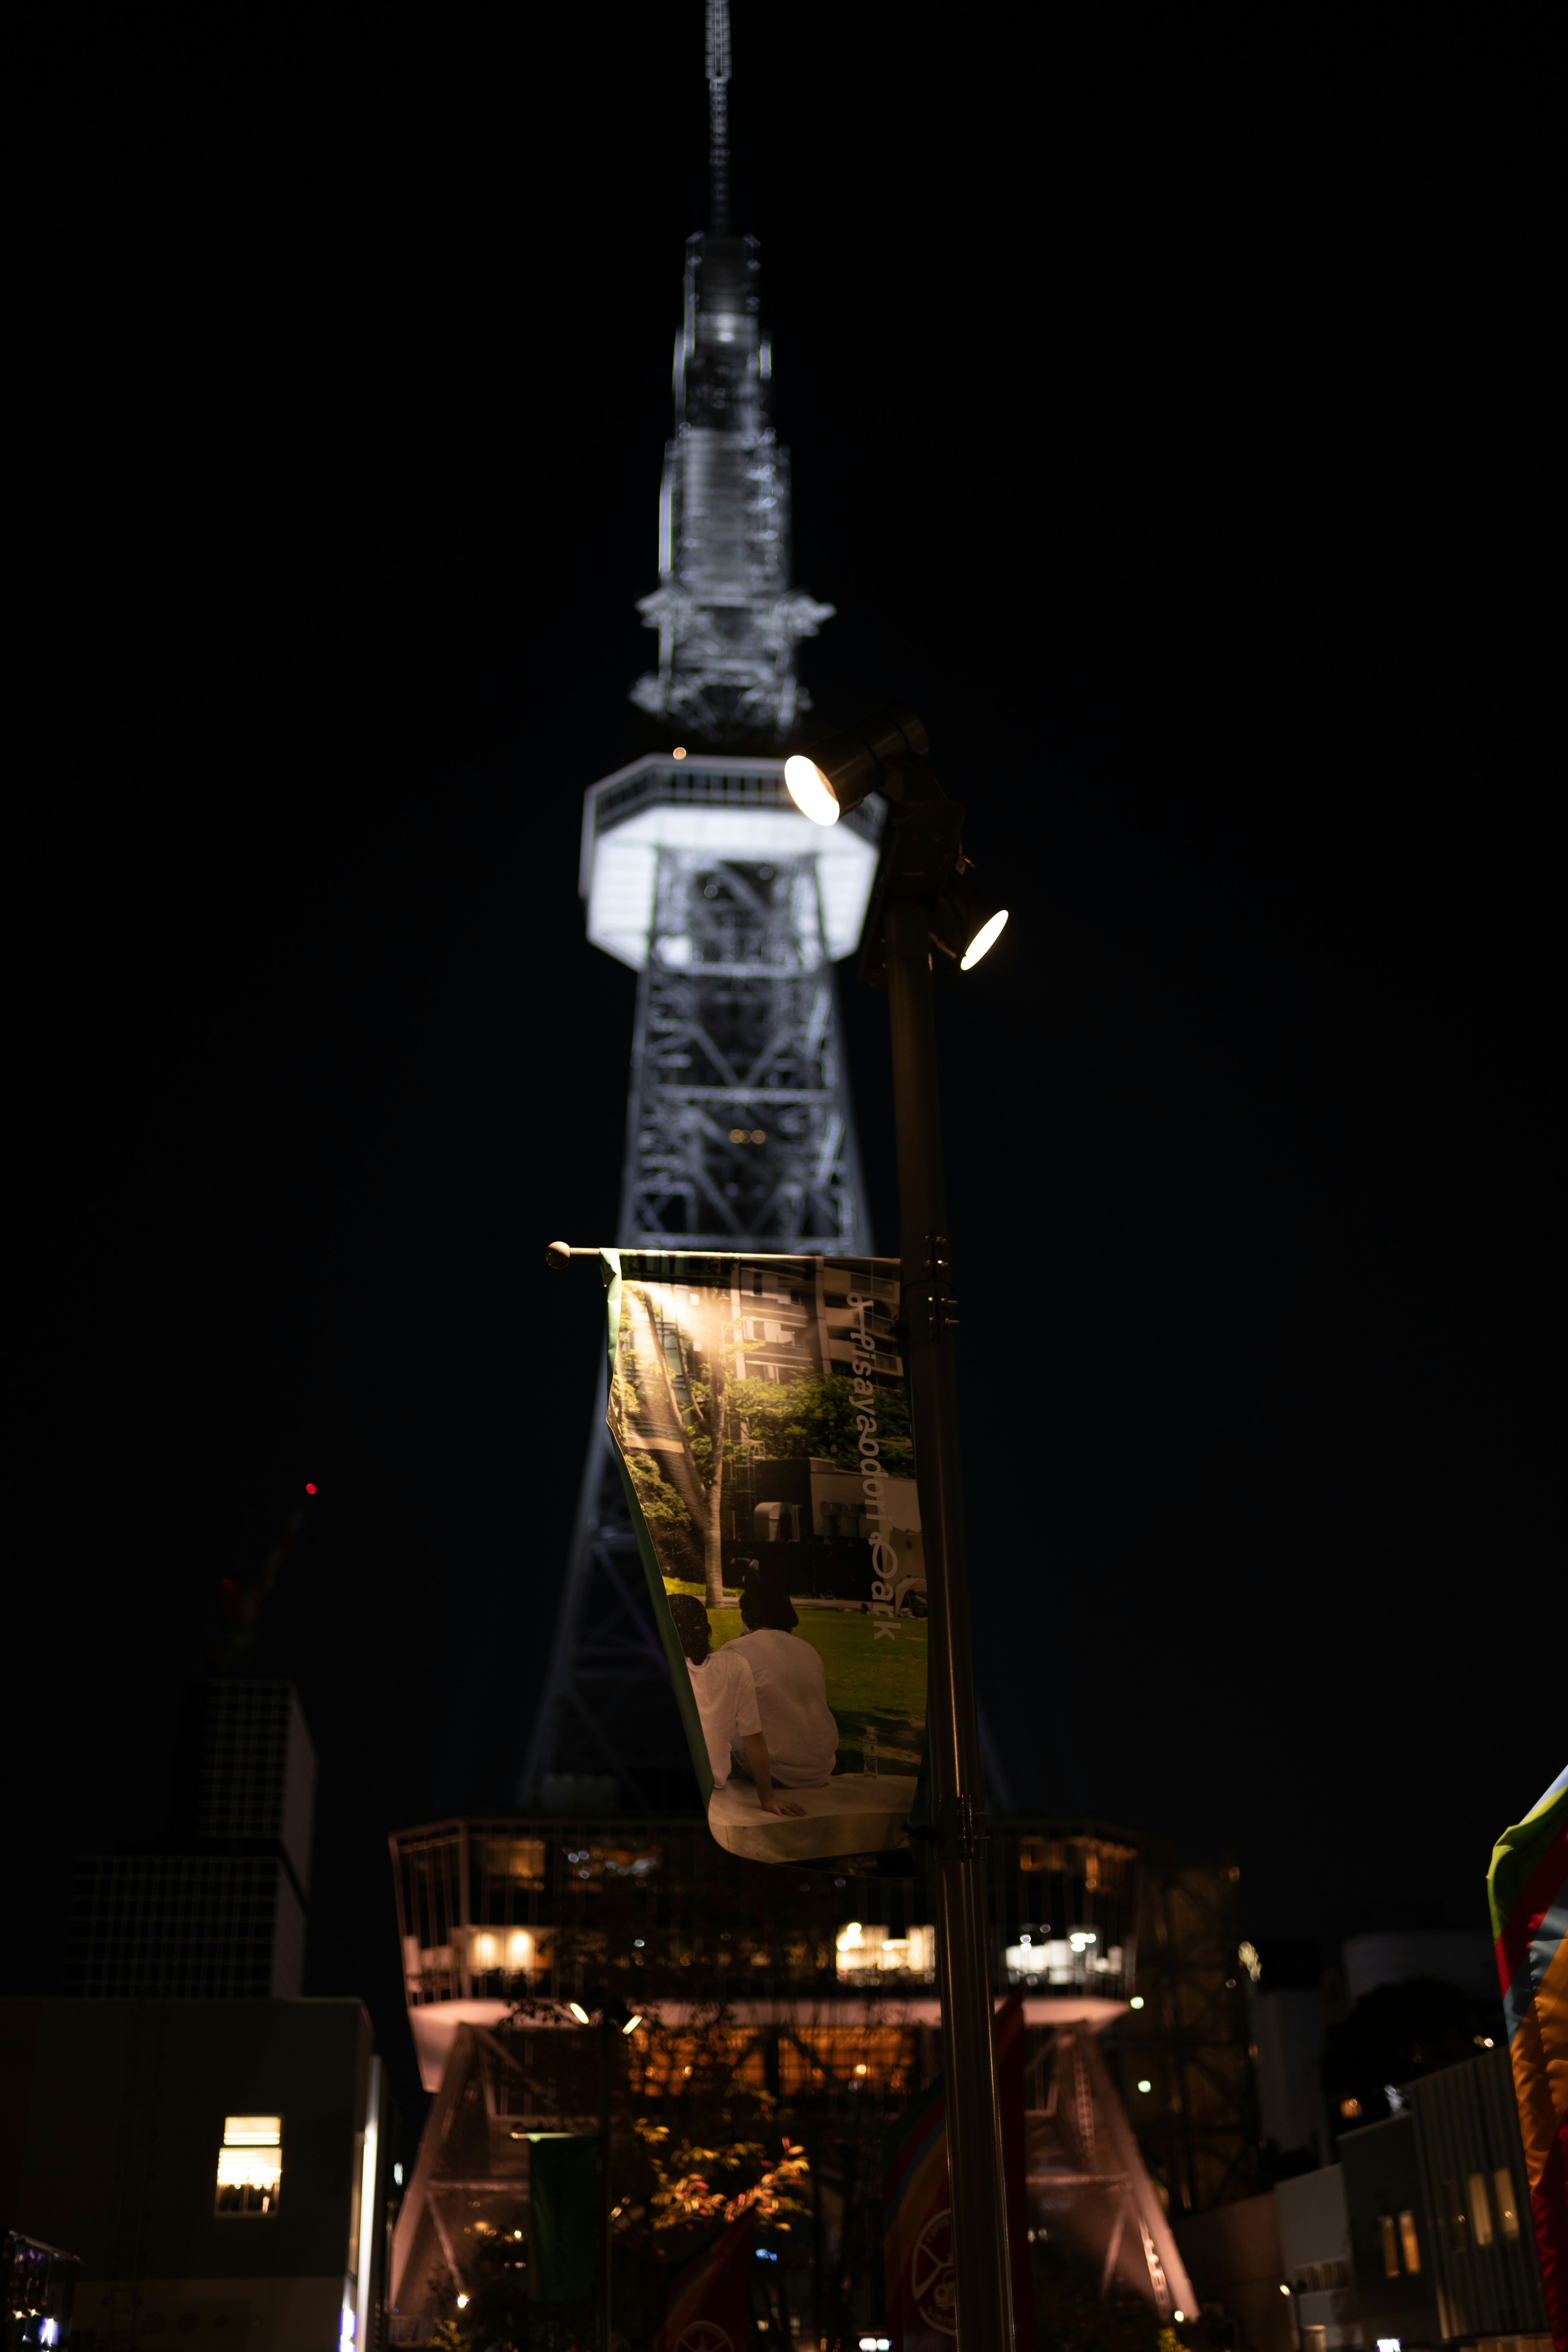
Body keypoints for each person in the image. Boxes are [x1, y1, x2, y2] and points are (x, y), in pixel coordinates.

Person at [666, 1593, 803, 1816]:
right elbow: (754, 1737)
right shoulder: (735, 1666)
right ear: (707, 1629)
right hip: (713, 1782)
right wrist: (767, 1797)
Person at [725, 1562, 840, 1788]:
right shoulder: (809, 1650)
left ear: (747, 1617)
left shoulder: (736, 1649)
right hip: (820, 1767)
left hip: (770, 1769)